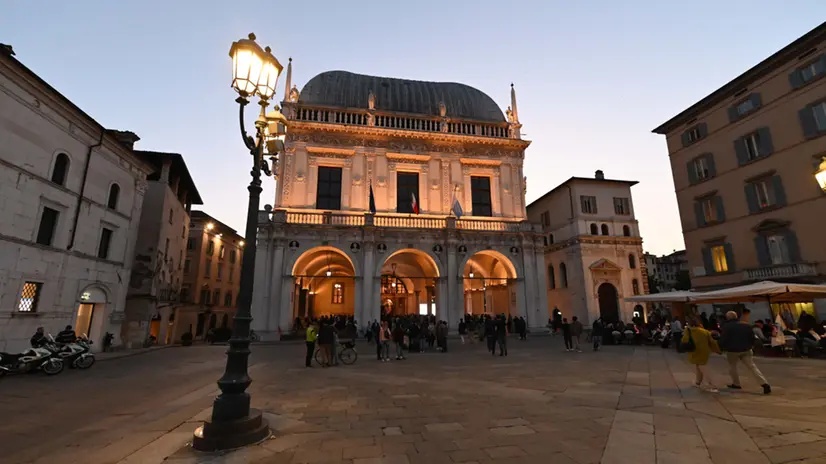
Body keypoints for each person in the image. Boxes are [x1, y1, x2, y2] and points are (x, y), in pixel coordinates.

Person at [719, 311, 771, 394]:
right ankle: (764, 384)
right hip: (746, 349)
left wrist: (721, 348)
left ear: (727, 318)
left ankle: (736, 383)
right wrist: (750, 345)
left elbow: (724, 339)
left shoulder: (726, 326)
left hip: (732, 350)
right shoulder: (746, 325)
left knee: (732, 367)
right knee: (752, 367)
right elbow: (752, 337)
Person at [682, 316, 721, 392]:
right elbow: (713, 342)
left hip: (694, 351)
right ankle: (698, 382)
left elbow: (684, 340)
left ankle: (712, 385)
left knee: (702, 368)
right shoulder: (705, 331)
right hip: (704, 352)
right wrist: (717, 351)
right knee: (699, 366)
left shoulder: (688, 330)